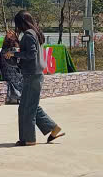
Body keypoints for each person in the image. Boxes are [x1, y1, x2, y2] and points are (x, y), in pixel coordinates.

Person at [10, 11, 65, 146]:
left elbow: (31, 54)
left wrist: (14, 53)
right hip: (35, 73)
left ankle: (29, 139)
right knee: (29, 105)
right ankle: (53, 127)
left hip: (32, 74)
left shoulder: (28, 35)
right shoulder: (36, 33)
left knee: (27, 108)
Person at [0, 29, 23, 104]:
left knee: (16, 81)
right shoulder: (5, 47)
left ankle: (17, 97)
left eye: (11, 34)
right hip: (8, 68)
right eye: (8, 34)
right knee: (14, 81)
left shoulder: (15, 45)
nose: (9, 35)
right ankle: (16, 97)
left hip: (13, 68)